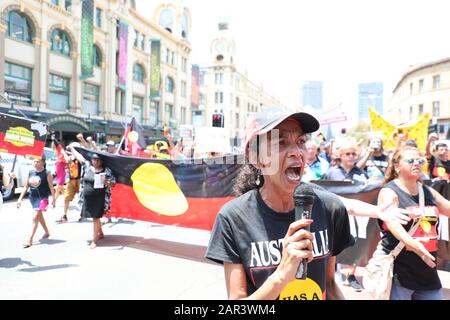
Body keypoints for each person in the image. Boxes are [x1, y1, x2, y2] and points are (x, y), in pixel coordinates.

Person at [205, 108, 412, 300]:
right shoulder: (232, 219)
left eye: (301, 141)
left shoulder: (330, 208)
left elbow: (330, 284)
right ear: (256, 158)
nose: (297, 151)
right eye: (281, 143)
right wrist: (281, 275)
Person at [377, 146, 450, 300]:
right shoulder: (389, 192)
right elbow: (393, 224)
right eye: (410, 160)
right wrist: (416, 246)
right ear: (397, 167)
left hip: (427, 273)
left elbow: (448, 208)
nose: (416, 163)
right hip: (399, 274)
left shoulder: (427, 191)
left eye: (420, 160)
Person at [69, 146, 116, 249]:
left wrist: (107, 182)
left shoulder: (106, 170)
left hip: (100, 198)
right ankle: (101, 232)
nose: (96, 161)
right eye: (94, 159)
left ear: (102, 161)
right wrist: (72, 148)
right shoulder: (86, 166)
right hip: (87, 198)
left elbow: (113, 183)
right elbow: (79, 157)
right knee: (95, 218)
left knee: (96, 218)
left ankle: (94, 240)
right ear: (91, 159)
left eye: (98, 160)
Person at [16, 157, 56, 248]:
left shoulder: (47, 173)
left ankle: (29, 239)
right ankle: (47, 232)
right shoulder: (31, 172)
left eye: (37, 161)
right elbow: (26, 187)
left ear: (43, 162)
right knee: (39, 216)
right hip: (33, 197)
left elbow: (51, 187)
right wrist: (19, 199)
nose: (35, 163)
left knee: (35, 217)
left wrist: (54, 199)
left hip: (43, 198)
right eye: (34, 161)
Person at [56, 144, 82, 223]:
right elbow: (67, 160)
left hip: (80, 180)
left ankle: (82, 215)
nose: (70, 151)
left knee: (82, 198)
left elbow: (79, 159)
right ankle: (64, 216)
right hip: (71, 180)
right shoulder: (69, 157)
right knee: (66, 198)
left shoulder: (80, 157)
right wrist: (63, 151)